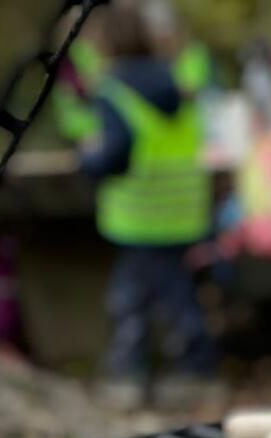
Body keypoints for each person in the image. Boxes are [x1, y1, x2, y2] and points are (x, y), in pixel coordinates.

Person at [79, 5, 218, 411]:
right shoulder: (179, 80)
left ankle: (129, 376)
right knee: (179, 293)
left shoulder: (114, 88)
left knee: (130, 300)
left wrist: (88, 157)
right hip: (184, 209)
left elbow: (115, 156)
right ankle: (195, 373)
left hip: (139, 215)